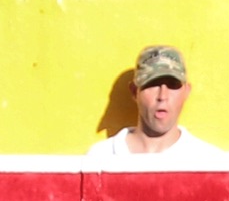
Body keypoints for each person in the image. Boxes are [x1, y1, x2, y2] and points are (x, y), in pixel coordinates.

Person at [86, 45, 220, 161]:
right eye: (152, 84)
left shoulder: (208, 162)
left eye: (172, 85)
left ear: (186, 91)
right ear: (134, 91)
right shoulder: (101, 157)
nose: (162, 96)